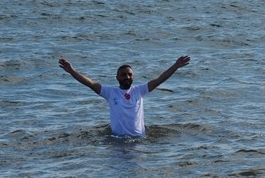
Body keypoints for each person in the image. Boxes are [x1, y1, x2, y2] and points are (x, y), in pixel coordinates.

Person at [59, 56, 190, 136]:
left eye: (129, 74)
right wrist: (71, 71)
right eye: (123, 74)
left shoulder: (140, 90)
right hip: (117, 141)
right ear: (117, 77)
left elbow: (160, 79)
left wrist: (176, 66)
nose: (127, 77)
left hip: (139, 140)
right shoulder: (110, 93)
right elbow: (90, 83)